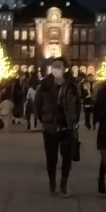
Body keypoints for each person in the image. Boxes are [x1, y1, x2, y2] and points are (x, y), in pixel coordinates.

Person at [33, 59, 80, 194]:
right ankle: (52, 180)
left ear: (65, 69)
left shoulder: (71, 86)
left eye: (59, 66)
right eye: (54, 66)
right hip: (50, 126)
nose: (56, 69)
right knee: (51, 157)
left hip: (66, 126)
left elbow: (77, 103)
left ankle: (64, 182)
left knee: (66, 157)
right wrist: (42, 117)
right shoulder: (45, 86)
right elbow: (37, 103)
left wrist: (74, 119)